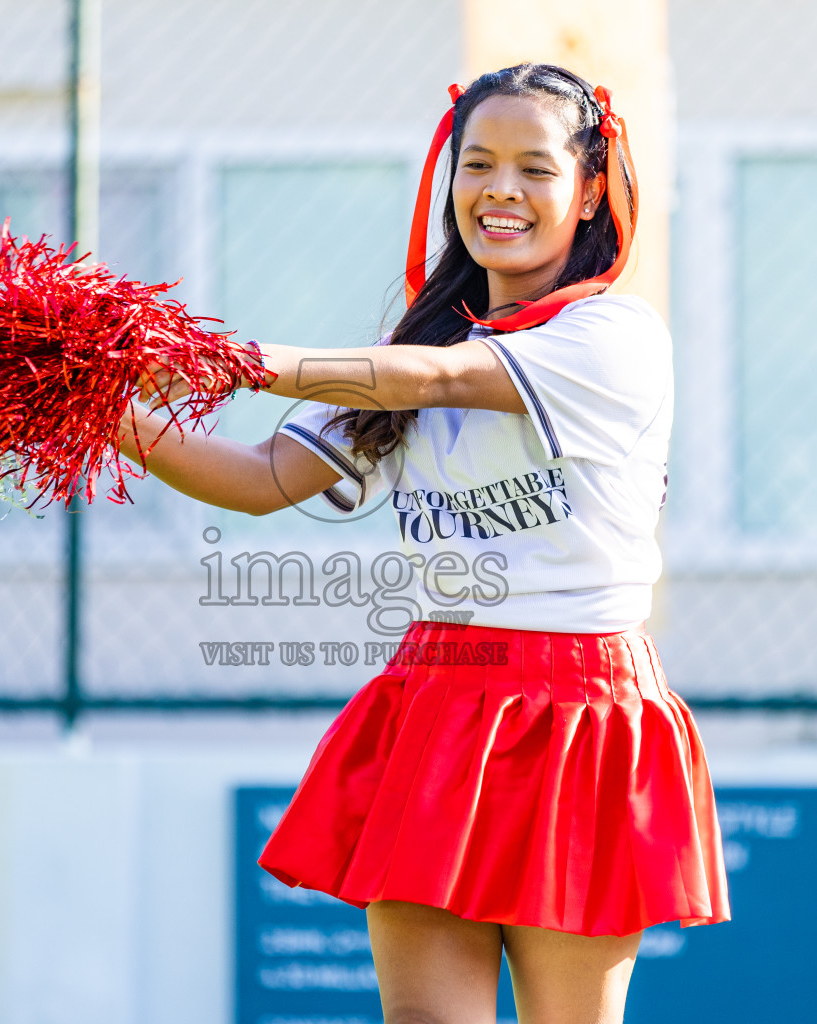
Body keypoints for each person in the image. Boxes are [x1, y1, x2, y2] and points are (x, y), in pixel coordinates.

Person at [120, 62, 729, 1024]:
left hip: (578, 710)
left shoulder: (609, 337)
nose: (501, 191)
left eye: (536, 168)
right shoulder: (421, 345)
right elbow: (260, 478)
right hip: (439, 700)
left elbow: (444, 383)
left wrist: (232, 361)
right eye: (478, 163)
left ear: (589, 191)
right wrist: (102, 413)